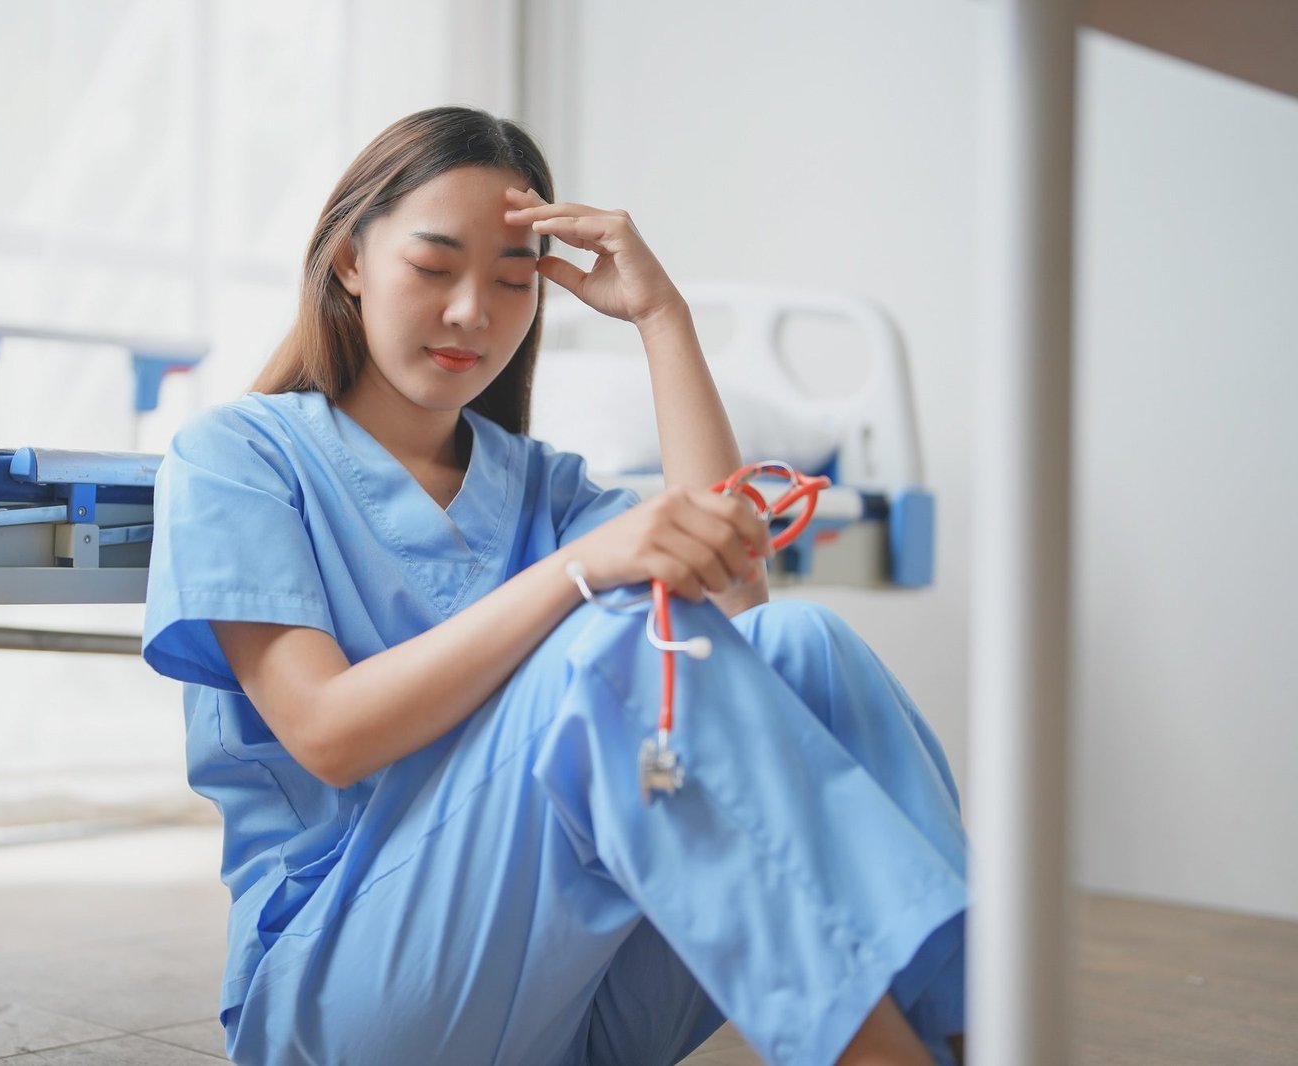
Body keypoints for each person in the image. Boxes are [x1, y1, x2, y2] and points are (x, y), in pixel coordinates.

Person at [143, 106, 968, 1066]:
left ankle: (982, 1032)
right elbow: (328, 732)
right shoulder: (237, 455)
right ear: (351, 262)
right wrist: (575, 575)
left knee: (806, 650)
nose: (472, 314)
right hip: (349, 992)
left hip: (564, 1005)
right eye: (434, 266)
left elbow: (735, 616)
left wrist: (664, 317)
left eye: (511, 279)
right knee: (621, 650)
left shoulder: (544, 485)